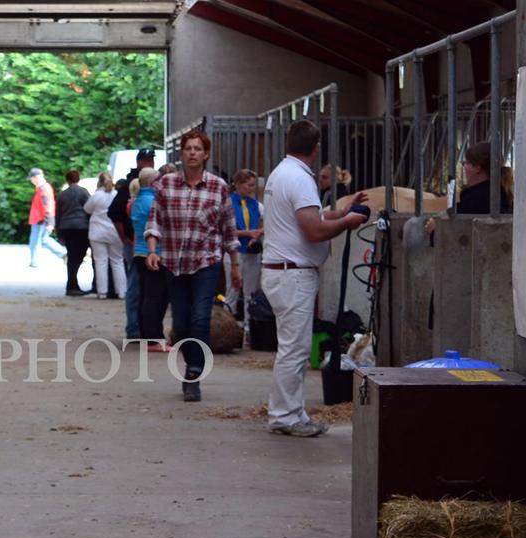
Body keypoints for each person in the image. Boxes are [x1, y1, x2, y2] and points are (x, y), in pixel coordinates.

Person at [261, 120, 367, 437]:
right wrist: (348, 221)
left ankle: (292, 411)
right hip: (292, 274)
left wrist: (344, 209)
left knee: (292, 347)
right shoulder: (299, 178)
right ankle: (284, 415)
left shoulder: (283, 173)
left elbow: (313, 217)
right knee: (294, 350)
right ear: (316, 148)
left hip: (283, 271)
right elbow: (314, 229)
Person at [144, 131, 241, 402]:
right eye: (188, 148)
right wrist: (152, 251)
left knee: (200, 319)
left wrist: (234, 265)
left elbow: (228, 229)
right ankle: (193, 362)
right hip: (174, 263)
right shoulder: (166, 185)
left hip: (206, 262)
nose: (193, 152)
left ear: (206, 154)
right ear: (182, 153)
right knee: (182, 325)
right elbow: (154, 220)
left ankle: (193, 374)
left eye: (198, 148)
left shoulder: (218, 186)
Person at [109, 149, 157, 336]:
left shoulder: (141, 188)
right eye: (146, 160)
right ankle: (135, 328)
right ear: (139, 162)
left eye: (151, 160)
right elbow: (114, 212)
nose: (149, 163)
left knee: (142, 287)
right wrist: (124, 237)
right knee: (137, 286)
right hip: (138, 244)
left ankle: (141, 327)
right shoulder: (132, 184)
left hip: (139, 242)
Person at [424, 142, 514, 236]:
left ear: (477, 168)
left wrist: (435, 231)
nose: (464, 167)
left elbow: (457, 236)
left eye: (467, 163)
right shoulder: (504, 193)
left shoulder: (474, 198)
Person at [130, 167, 170, 351]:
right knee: (156, 296)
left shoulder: (138, 200)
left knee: (146, 295)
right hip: (153, 252)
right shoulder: (153, 201)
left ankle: (145, 335)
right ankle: (154, 338)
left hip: (139, 251)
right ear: (154, 182)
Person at [228, 169, 264, 324]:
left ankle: (250, 328)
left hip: (252, 252)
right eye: (248, 185)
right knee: (232, 291)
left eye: (252, 186)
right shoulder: (228, 203)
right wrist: (249, 233)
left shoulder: (256, 205)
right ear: (238, 184)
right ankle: (228, 324)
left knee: (251, 293)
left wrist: (257, 233)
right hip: (234, 251)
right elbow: (226, 231)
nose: (251, 189)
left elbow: (270, 222)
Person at [85, 171, 126, 300]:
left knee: (100, 262)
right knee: (117, 261)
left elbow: (87, 209)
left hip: (97, 232)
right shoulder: (116, 195)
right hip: (114, 231)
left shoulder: (96, 196)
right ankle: (122, 291)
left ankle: (102, 292)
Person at [55, 170, 91, 296]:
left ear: (67, 180)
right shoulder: (83, 192)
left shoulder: (62, 195)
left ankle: (72, 284)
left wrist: (59, 232)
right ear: (78, 178)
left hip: (66, 227)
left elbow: (58, 215)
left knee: (72, 256)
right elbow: (89, 209)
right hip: (81, 227)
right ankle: (72, 284)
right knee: (78, 257)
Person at [26, 168, 67, 268]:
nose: (31, 181)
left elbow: (48, 206)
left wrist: (50, 222)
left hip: (41, 220)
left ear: (36, 178)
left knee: (36, 241)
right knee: (43, 240)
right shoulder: (42, 188)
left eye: (31, 179)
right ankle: (64, 254)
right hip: (39, 219)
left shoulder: (44, 189)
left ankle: (35, 262)